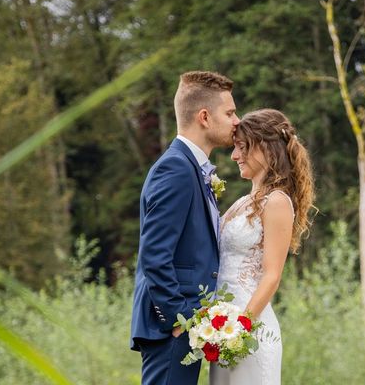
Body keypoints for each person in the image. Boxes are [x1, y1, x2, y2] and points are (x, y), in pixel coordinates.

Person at [130, 71, 240, 385]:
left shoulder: (192, 168)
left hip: (185, 328)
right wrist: (180, 318)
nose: (236, 120)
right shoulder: (175, 168)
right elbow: (154, 255)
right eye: (229, 112)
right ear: (204, 117)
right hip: (172, 328)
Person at [209, 109, 315, 385]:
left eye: (242, 147)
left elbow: (272, 275)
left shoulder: (277, 202)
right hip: (222, 331)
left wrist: (239, 329)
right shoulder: (240, 203)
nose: (234, 155)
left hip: (249, 331)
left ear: (267, 149)